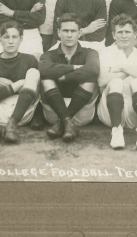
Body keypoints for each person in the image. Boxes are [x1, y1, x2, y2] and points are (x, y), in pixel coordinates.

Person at [97, 14, 137, 149]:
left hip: (135, 112)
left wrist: (123, 68)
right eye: (120, 32)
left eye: (127, 32)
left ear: (135, 34)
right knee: (116, 82)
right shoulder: (105, 53)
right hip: (109, 111)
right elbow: (102, 81)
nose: (124, 36)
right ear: (113, 35)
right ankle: (116, 131)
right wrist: (135, 70)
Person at [39, 13, 100, 141]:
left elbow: (93, 70)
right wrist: (73, 68)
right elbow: (43, 70)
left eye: (73, 31)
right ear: (58, 32)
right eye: (65, 31)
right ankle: (67, 123)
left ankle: (63, 123)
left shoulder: (90, 52)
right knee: (46, 79)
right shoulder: (49, 54)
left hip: (81, 112)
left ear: (80, 32)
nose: (69, 35)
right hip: (54, 112)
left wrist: (66, 77)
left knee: (89, 79)